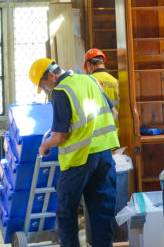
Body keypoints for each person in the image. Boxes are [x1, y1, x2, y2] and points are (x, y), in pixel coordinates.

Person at [28, 58, 120, 247]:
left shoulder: (61, 92)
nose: (46, 91)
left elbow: (61, 136)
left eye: (44, 86)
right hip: (104, 155)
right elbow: (114, 113)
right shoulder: (90, 80)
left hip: (80, 160)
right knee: (102, 212)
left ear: (51, 76)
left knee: (66, 211)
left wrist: (45, 145)